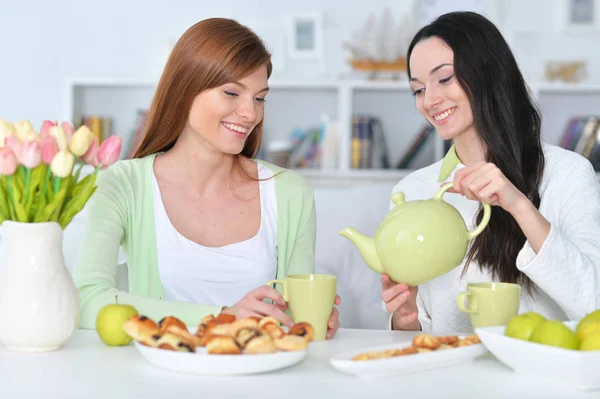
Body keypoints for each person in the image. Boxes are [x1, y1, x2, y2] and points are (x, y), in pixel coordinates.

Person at [74, 18, 341, 338]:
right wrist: (222, 316)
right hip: (159, 382)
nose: (251, 113)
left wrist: (311, 319)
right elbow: (87, 300)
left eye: (259, 98)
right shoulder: (123, 184)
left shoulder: (289, 192)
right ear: (184, 88)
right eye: (232, 93)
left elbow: (292, 320)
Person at [381, 11, 600, 333]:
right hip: (450, 379)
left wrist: (519, 205)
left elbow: (592, 303)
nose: (430, 100)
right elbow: (420, 337)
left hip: (540, 376)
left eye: (444, 79)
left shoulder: (567, 173)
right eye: (417, 89)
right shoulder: (414, 190)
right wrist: (405, 317)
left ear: (488, 73)